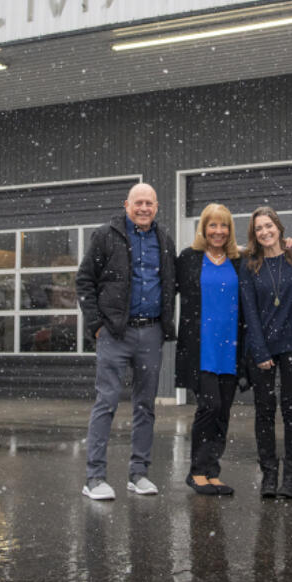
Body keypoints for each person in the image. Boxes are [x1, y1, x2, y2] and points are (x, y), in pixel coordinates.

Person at [76, 182, 177, 501]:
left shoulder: (164, 240)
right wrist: (96, 325)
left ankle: (139, 473)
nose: (144, 208)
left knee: (146, 405)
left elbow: (172, 282)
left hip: (151, 333)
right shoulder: (106, 235)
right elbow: (84, 280)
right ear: (127, 205)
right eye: (138, 203)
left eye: (150, 203)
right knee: (106, 402)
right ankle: (94, 477)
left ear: (157, 207)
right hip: (114, 333)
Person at [176, 203, 248, 495]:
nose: (218, 231)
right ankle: (196, 471)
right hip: (201, 348)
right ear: (203, 228)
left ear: (230, 230)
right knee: (210, 406)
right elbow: (166, 289)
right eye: (212, 225)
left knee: (223, 411)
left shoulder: (238, 260)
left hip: (230, 347)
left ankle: (212, 471)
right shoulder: (188, 259)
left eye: (224, 226)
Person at [239, 206, 292, 499]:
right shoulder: (249, 264)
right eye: (258, 228)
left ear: (279, 227)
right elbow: (249, 311)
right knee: (264, 411)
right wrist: (259, 348)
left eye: (269, 226)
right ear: (254, 234)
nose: (265, 232)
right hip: (263, 345)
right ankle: (269, 474)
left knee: (291, 409)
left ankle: (291, 477)